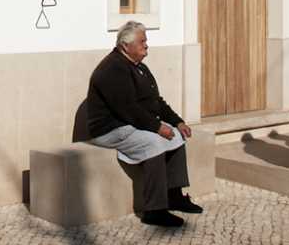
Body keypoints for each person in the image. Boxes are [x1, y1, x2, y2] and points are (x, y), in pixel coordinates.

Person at [85, 20, 203, 228]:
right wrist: (157, 128)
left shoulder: (139, 67)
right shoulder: (113, 68)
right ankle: (154, 210)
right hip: (110, 129)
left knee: (177, 136)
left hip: (129, 124)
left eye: (145, 40)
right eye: (142, 41)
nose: (146, 44)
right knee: (153, 143)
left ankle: (173, 195)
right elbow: (128, 109)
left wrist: (177, 122)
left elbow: (156, 101)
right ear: (125, 46)